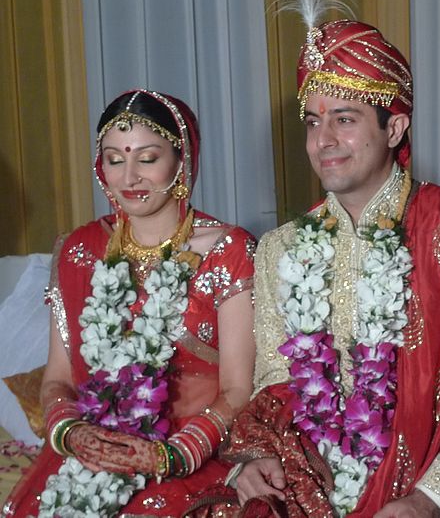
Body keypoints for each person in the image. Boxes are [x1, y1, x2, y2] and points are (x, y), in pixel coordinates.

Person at [219, 20, 440, 517]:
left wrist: (431, 501)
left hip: (434, 488)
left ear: (394, 127)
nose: (322, 140)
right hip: (308, 483)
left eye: (344, 119)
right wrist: (258, 457)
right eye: (311, 122)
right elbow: (276, 380)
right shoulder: (280, 249)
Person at [2, 90, 256, 517]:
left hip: (192, 457)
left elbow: (238, 389)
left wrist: (170, 456)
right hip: (91, 454)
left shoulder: (227, 250)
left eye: (148, 158)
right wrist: (70, 432)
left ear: (182, 160)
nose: (129, 177)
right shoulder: (81, 250)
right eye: (115, 160)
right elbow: (58, 377)